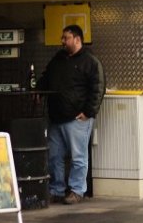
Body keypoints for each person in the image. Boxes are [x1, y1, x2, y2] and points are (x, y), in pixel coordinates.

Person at [38, 25, 105, 205]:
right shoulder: (58, 59)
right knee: (54, 156)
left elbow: (98, 88)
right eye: (63, 38)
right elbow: (46, 77)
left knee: (78, 156)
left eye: (66, 38)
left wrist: (89, 112)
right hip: (57, 117)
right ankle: (56, 189)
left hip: (77, 118)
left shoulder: (90, 61)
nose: (62, 41)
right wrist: (38, 89)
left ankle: (77, 190)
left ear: (77, 39)